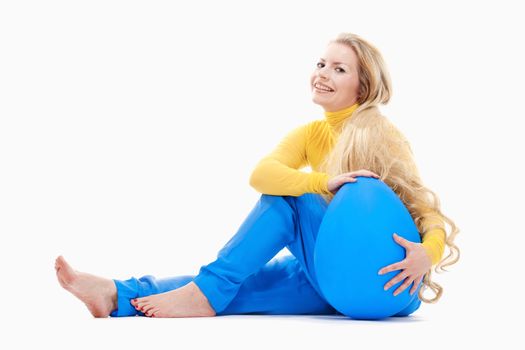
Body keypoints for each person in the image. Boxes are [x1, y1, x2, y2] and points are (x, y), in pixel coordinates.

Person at [55, 32, 460, 318]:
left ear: (363, 85)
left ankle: (205, 294)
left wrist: (429, 252)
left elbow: (427, 212)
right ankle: (115, 295)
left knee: (290, 201)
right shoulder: (310, 133)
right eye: (321, 63)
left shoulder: (382, 135)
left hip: (387, 286)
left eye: (339, 69)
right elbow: (262, 174)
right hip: (332, 280)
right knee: (239, 281)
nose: (322, 73)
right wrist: (322, 182)